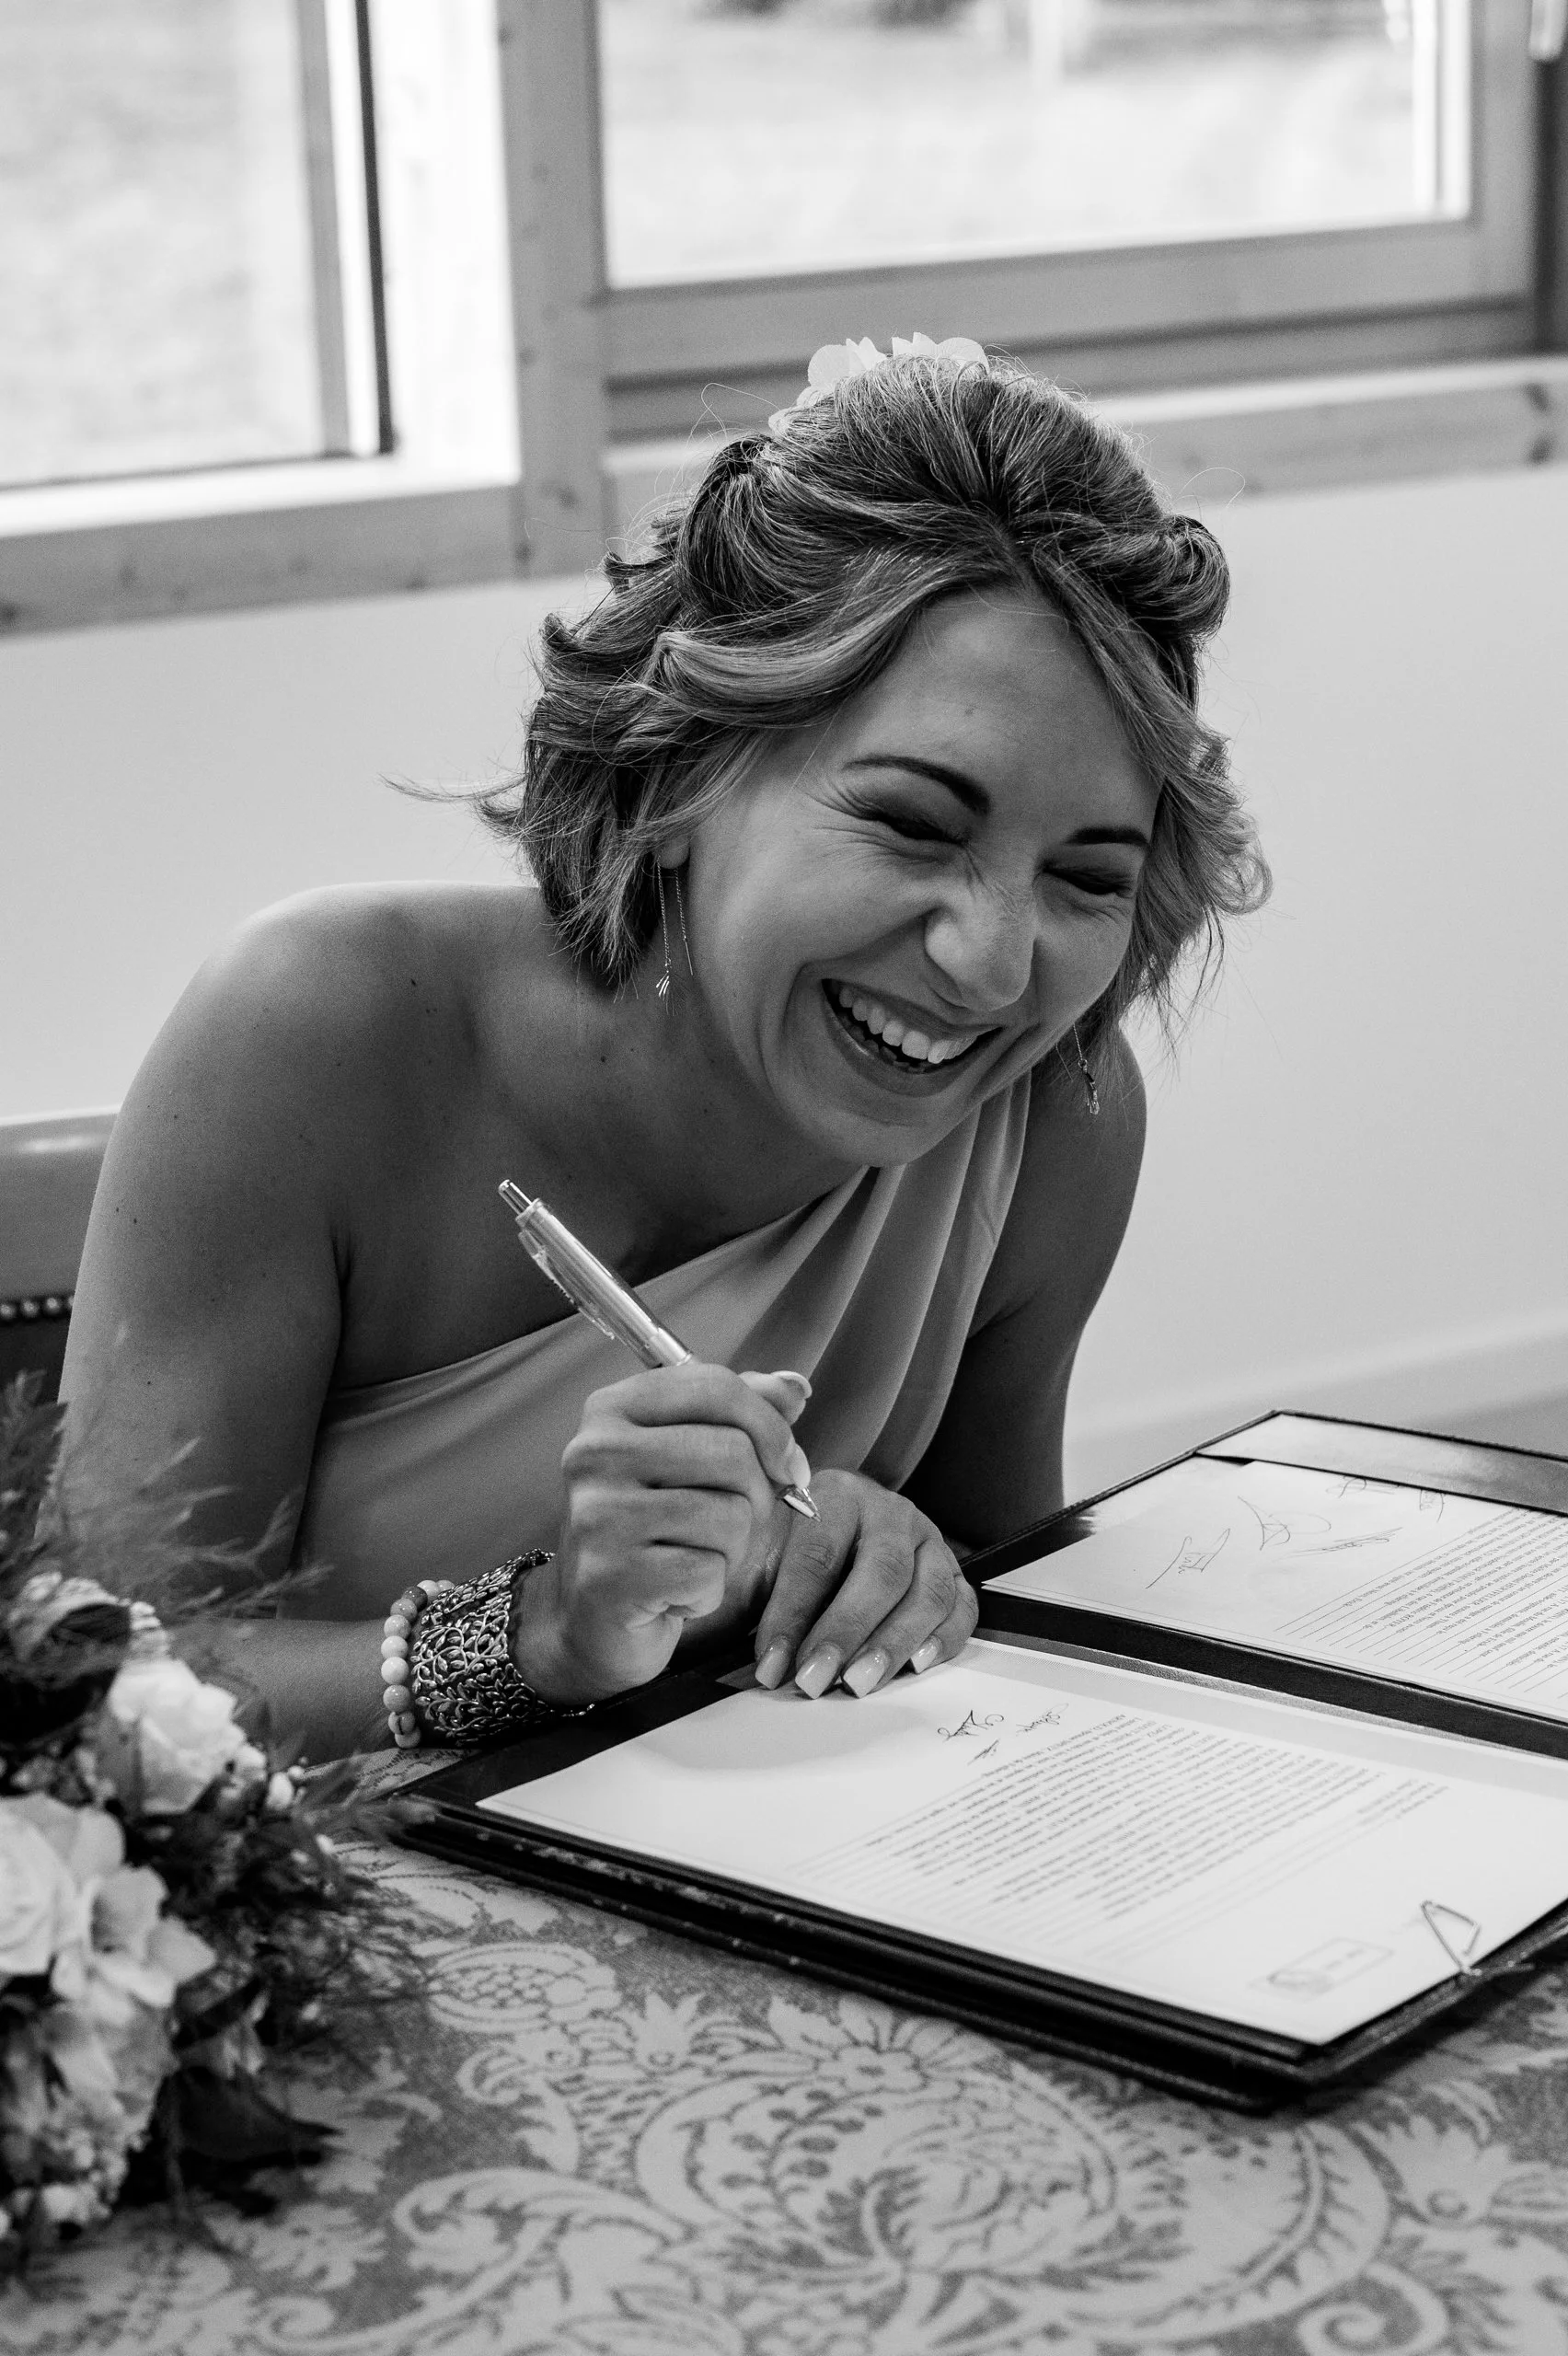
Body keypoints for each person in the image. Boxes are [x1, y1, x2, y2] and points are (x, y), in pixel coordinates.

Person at [60, 336, 1266, 1761]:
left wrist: (898, 1571)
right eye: (914, 825)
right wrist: (542, 1636)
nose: (994, 966)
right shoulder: (317, 1035)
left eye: (1087, 878)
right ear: (684, 760)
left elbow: (994, 1606)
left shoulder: (1053, 1117)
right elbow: (106, 1704)